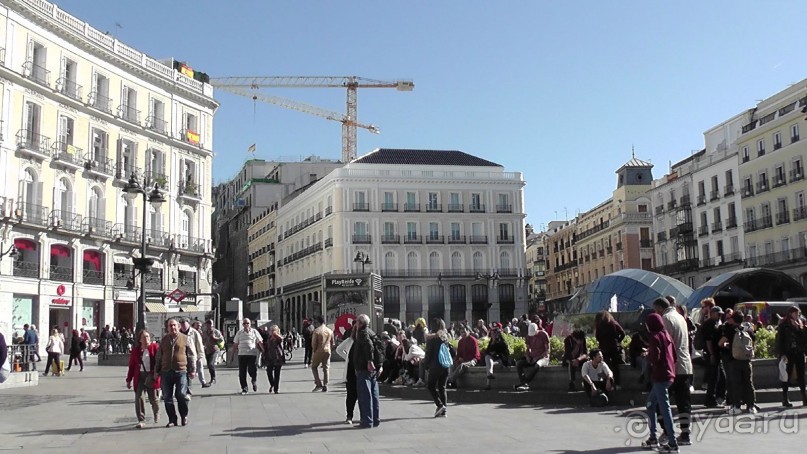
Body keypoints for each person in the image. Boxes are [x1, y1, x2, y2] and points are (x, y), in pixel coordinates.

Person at [653, 297, 693, 446]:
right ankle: (685, 432)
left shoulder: (665, 319)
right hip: (685, 364)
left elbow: (665, 343)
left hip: (672, 366)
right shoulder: (680, 317)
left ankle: (667, 431)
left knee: (659, 401)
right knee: (684, 402)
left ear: (659, 309)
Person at [641, 313, 679, 453]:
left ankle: (673, 443)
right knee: (651, 404)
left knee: (664, 408)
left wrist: (648, 356)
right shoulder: (667, 335)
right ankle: (653, 438)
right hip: (669, 374)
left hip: (660, 376)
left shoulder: (654, 337)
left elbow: (655, 358)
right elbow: (674, 356)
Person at [154, 318, 195, 427]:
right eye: (170, 326)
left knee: (181, 394)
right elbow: (159, 356)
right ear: (167, 328)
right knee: (167, 396)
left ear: (178, 327)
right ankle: (172, 419)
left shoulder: (185, 338)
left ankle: (184, 415)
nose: (172, 327)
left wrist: (192, 370)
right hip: (166, 371)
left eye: (174, 325)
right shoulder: (164, 340)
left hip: (181, 370)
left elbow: (191, 355)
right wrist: (156, 371)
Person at [719, 312, 756, 415]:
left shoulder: (730, 330)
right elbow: (753, 341)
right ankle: (751, 406)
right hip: (746, 360)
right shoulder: (747, 329)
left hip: (734, 360)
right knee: (749, 383)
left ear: (733, 320)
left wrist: (727, 346)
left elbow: (720, 343)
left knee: (736, 384)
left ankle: (737, 406)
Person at [126, 329, 161, 429]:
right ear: (140, 340)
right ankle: (141, 419)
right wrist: (129, 379)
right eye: (144, 337)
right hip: (140, 376)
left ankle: (156, 412)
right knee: (139, 397)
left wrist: (157, 375)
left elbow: (159, 362)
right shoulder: (136, 351)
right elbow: (132, 366)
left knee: (153, 399)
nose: (147, 339)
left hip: (151, 376)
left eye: (148, 337)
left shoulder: (155, 347)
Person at [352, 313, 380, 428]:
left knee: (365, 396)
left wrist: (369, 361)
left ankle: (367, 421)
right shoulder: (371, 332)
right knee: (374, 395)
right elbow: (380, 347)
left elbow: (368, 346)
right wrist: (380, 364)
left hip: (364, 367)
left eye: (357, 322)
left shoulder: (363, 333)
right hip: (372, 369)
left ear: (360, 323)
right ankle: (375, 419)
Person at [775, 306, 807, 407]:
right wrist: (782, 353)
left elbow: (804, 338)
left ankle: (804, 398)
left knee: (801, 375)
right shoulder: (784, 324)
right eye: (795, 313)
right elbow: (780, 340)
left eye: (798, 314)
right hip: (788, 353)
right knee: (786, 375)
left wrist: (799, 328)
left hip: (799, 352)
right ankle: (785, 398)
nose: (797, 315)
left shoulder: (801, 323)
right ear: (790, 314)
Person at [423, 318, 451, 417]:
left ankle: (440, 405)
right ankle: (444, 411)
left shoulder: (432, 338)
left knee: (430, 386)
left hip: (435, 366)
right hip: (445, 365)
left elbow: (428, 353)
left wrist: (425, 365)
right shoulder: (445, 337)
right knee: (442, 388)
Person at [231, 318, 264, 395]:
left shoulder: (254, 332)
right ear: (242, 325)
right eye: (244, 323)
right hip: (241, 354)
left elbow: (260, 342)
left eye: (247, 323)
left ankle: (254, 380)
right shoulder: (239, 333)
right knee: (242, 372)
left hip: (252, 354)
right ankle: (244, 388)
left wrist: (264, 351)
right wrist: (232, 356)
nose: (246, 325)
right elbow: (235, 344)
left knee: (252, 369)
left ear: (250, 324)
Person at [514, 321, 550, 391]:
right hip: (532, 357)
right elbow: (527, 349)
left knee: (537, 365)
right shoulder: (528, 336)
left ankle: (525, 383)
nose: (533, 335)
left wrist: (538, 357)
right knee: (519, 364)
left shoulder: (543, 334)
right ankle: (523, 382)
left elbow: (547, 350)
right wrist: (527, 356)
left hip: (543, 357)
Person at [594, 310, 625, 388]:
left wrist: (602, 341)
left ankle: (608, 384)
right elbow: (622, 333)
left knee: (606, 367)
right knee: (615, 366)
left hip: (604, 348)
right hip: (614, 347)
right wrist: (618, 341)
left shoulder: (599, 325)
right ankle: (617, 384)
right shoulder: (613, 322)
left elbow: (597, 337)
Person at [180, 319, 207, 394]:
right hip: (182, 356)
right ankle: (185, 388)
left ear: (188, 324)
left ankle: (188, 388)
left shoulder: (194, 332)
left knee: (190, 373)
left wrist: (200, 356)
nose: (183, 327)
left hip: (192, 356)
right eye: (182, 325)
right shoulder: (179, 332)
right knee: (183, 373)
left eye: (184, 325)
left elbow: (199, 344)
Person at [310, 315, 334, 392]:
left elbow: (314, 343)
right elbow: (333, 343)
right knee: (326, 368)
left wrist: (314, 351)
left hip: (318, 350)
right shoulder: (329, 331)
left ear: (317, 322)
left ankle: (318, 384)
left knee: (314, 367)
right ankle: (325, 384)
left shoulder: (317, 331)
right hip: (327, 350)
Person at [483, 325, 511, 390]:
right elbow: (487, 352)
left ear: (498, 334)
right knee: (487, 357)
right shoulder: (491, 342)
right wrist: (492, 343)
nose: (492, 335)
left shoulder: (502, 343)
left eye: (494, 333)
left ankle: (488, 384)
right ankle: (490, 374)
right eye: (492, 333)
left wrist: (494, 353)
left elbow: (501, 354)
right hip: (493, 361)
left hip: (501, 361)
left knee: (489, 365)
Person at [263, 324, 285, 394]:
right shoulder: (269, 338)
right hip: (270, 357)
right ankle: (272, 384)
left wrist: (276, 334)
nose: (272, 332)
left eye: (274, 330)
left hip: (278, 357)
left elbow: (281, 339)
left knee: (277, 374)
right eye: (271, 330)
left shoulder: (278, 338)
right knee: (269, 371)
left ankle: (276, 389)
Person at [202, 319, 223, 387]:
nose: (209, 326)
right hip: (207, 350)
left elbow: (221, 340)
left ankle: (213, 378)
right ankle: (212, 377)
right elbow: (202, 340)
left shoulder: (216, 331)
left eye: (210, 324)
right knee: (209, 365)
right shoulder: (204, 332)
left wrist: (215, 338)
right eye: (207, 324)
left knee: (211, 364)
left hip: (214, 350)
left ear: (212, 324)